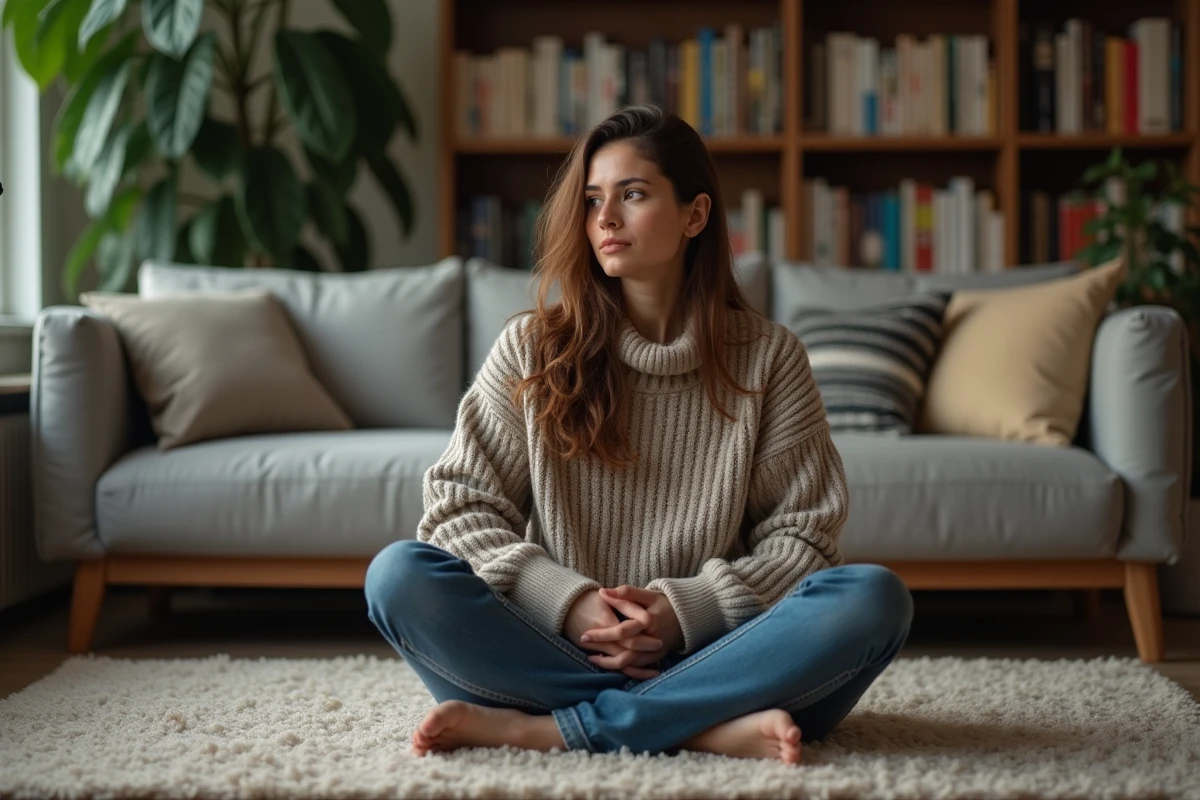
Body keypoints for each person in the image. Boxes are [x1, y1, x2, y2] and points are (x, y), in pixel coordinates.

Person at [364, 105, 913, 765]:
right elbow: (458, 508)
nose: (605, 219)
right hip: (555, 646)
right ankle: (700, 726)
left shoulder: (769, 359)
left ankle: (549, 728)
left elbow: (801, 538)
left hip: (718, 652)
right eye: (593, 199)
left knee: (873, 598)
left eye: (633, 194)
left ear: (695, 216)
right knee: (398, 575)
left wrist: (685, 613)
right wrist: (571, 605)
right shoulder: (533, 347)